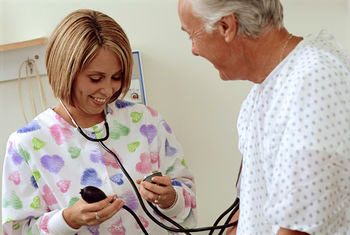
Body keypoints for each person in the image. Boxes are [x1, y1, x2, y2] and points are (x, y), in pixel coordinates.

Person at [2, 9, 197, 234]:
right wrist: (67, 220)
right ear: (65, 71)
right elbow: (16, 230)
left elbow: (187, 201)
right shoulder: (26, 144)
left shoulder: (147, 122)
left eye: (116, 77)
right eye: (95, 78)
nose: (107, 89)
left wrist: (171, 198)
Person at [177, 0, 350, 234]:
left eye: (191, 36)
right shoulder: (263, 93)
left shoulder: (313, 80)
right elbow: (254, 202)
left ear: (227, 26)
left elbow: (300, 227)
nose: (194, 50)